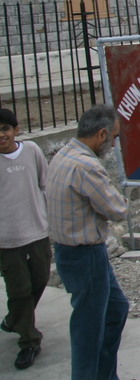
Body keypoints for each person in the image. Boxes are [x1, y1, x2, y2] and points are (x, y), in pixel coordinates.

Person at [46, 103, 129, 380]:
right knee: (88, 330)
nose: (114, 144)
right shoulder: (86, 166)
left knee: (115, 309)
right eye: (115, 137)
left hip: (72, 253)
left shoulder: (64, 154)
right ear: (102, 134)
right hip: (85, 256)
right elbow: (117, 208)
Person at [0, 108, 50, 370]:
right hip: (8, 241)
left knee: (40, 279)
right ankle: (29, 341)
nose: (1, 135)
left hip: (37, 233)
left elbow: (45, 184)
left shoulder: (31, 151)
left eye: (5, 129)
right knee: (18, 290)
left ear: (15, 130)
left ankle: (14, 319)